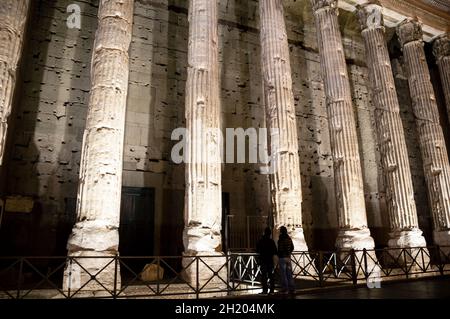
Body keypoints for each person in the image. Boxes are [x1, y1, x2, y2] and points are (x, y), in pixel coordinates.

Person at [256, 227, 277, 294]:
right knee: (271, 276)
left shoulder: (261, 241)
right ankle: (272, 290)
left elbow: (257, 250)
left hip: (263, 260)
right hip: (270, 260)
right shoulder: (271, 241)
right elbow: (275, 251)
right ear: (270, 234)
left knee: (264, 276)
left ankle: (265, 290)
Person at [277, 226, 295, 294]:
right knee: (289, 274)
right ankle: (292, 288)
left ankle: (285, 289)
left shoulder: (281, 239)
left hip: (282, 258)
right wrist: (289, 252)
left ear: (281, 231)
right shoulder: (289, 239)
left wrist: (279, 254)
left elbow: (280, 249)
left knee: (283, 274)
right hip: (288, 258)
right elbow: (292, 247)